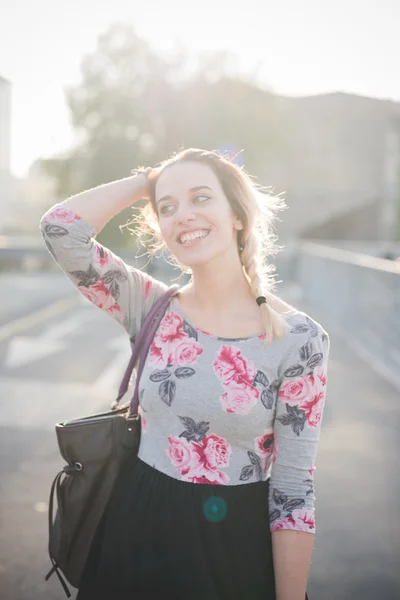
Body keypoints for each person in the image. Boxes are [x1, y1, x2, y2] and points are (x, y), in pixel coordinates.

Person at [40, 148, 329, 600]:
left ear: (237, 215)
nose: (183, 215)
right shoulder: (149, 304)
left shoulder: (300, 340)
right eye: (168, 207)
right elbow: (61, 228)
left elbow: (293, 490)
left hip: (234, 549)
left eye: (200, 198)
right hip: (134, 531)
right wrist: (149, 181)